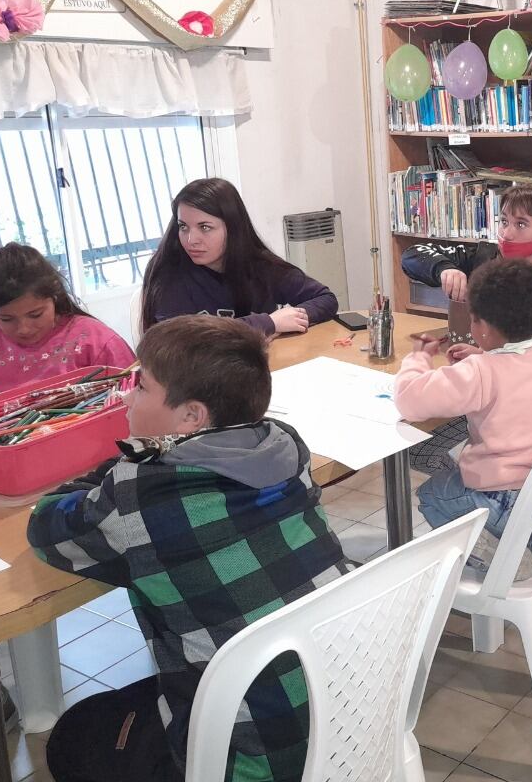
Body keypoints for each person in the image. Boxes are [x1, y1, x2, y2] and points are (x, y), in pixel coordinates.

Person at [28, 315, 344, 782]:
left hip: (246, 762)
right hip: (340, 713)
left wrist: (122, 464)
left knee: (74, 737)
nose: (127, 396)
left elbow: (47, 530)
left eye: (141, 386)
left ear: (191, 416)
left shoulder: (139, 494)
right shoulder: (284, 444)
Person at [395, 259, 532, 581]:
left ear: (482, 326)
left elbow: (410, 400)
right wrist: (482, 354)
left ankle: (500, 559)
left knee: (432, 496)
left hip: (503, 503)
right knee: (470, 486)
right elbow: (517, 369)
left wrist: (419, 357)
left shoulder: (479, 373)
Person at [400, 183, 532, 474]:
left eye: (521, 224)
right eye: (504, 222)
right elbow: (413, 255)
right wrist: (445, 269)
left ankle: (488, 489)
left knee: (424, 448)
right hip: (492, 382)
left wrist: (523, 301)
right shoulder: (487, 255)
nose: (507, 233)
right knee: (421, 446)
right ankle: (487, 487)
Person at [0, 244, 135, 414]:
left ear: (54, 298)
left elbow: (136, 400)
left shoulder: (94, 339)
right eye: (6, 319)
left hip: (90, 453)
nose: (24, 329)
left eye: (36, 314)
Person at [141, 178, 338, 336]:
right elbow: (186, 343)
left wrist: (293, 317)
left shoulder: (258, 264)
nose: (191, 239)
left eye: (205, 227)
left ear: (233, 227)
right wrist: (269, 323)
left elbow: (325, 298)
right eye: (183, 226)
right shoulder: (168, 272)